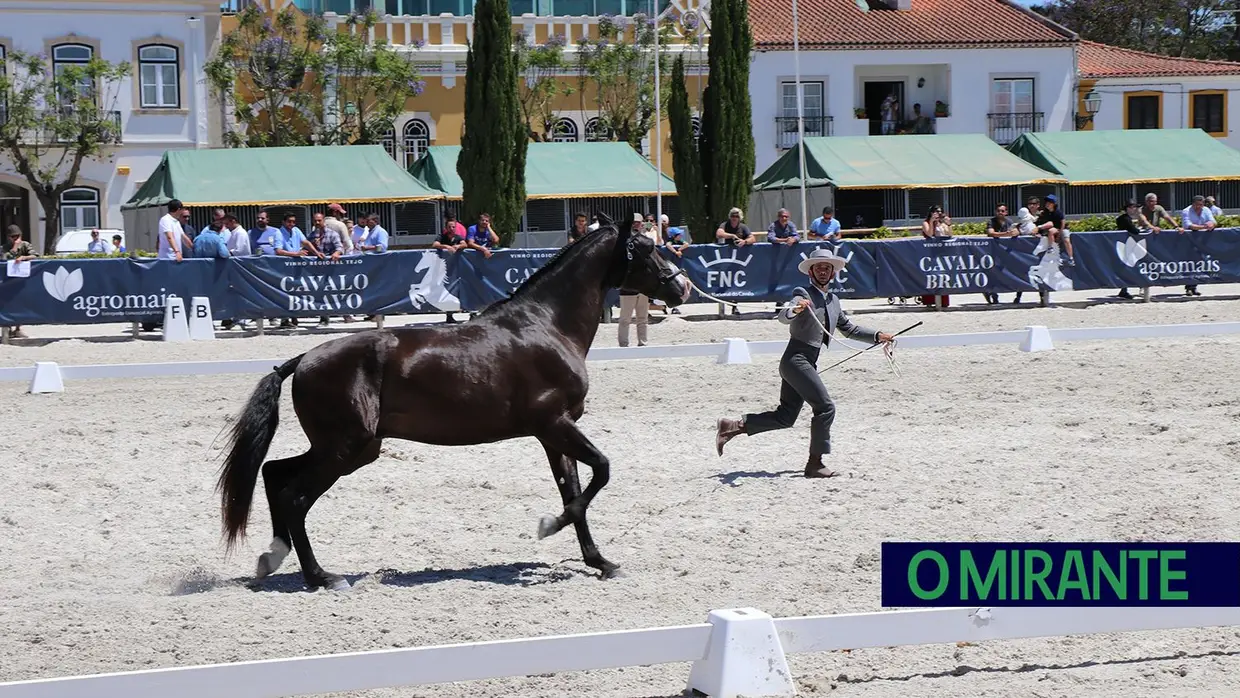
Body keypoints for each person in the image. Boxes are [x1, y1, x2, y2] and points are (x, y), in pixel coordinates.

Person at [714, 248, 895, 479]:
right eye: (818, 267)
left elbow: (849, 329)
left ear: (833, 273)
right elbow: (784, 315)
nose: (822, 271)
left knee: (785, 417)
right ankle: (815, 463)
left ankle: (732, 426)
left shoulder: (834, 301)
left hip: (806, 362)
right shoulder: (803, 293)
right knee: (826, 407)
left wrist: (879, 335)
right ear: (811, 271)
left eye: (826, 267)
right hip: (796, 360)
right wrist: (794, 310)